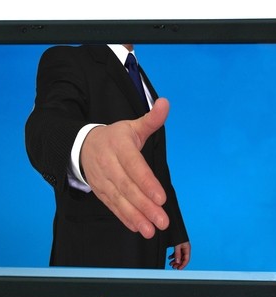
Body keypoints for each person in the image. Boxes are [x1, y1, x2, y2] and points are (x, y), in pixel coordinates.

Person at [25, 44, 190, 270]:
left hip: (148, 246)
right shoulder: (69, 58)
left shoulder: (140, 75)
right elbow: (43, 126)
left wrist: (176, 232)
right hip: (95, 251)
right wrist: (84, 144)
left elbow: (157, 165)